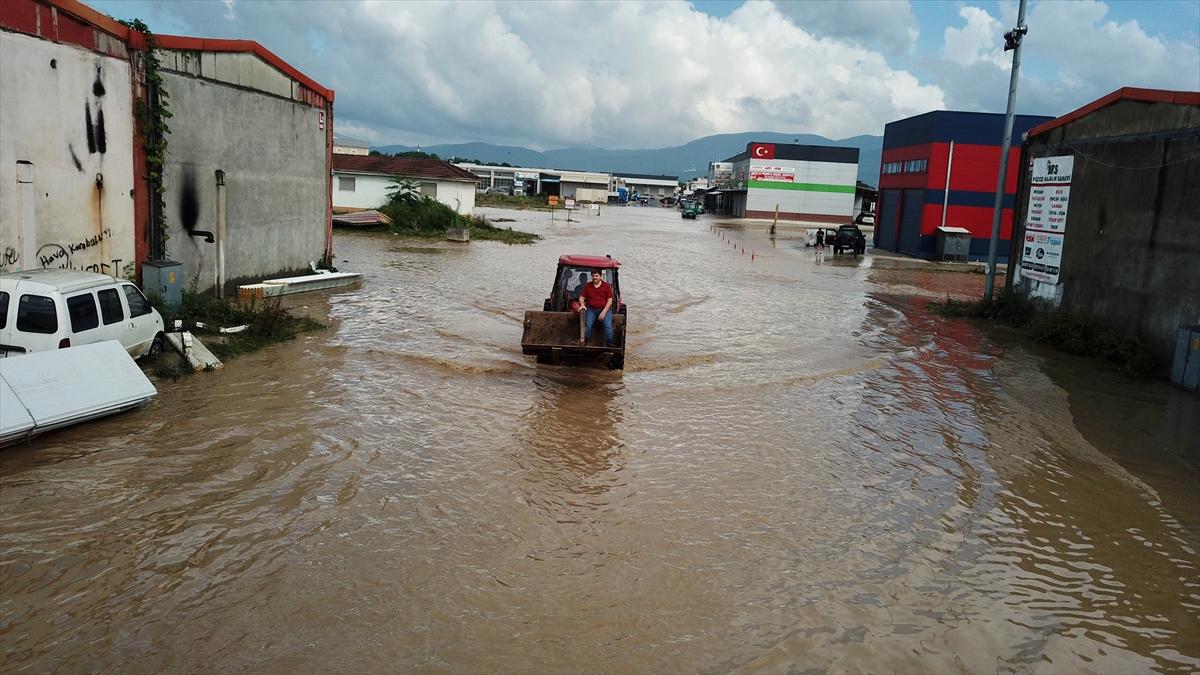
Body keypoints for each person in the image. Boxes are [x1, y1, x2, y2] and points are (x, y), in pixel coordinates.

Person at [577, 269, 614, 347]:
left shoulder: (606, 286)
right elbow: (581, 297)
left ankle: (610, 345)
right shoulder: (588, 286)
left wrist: (603, 312)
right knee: (587, 325)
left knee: (608, 327)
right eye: (593, 276)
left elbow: (610, 301)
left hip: (604, 310)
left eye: (596, 276)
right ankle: (585, 343)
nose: (595, 277)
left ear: (600, 276)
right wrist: (582, 305)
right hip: (591, 310)